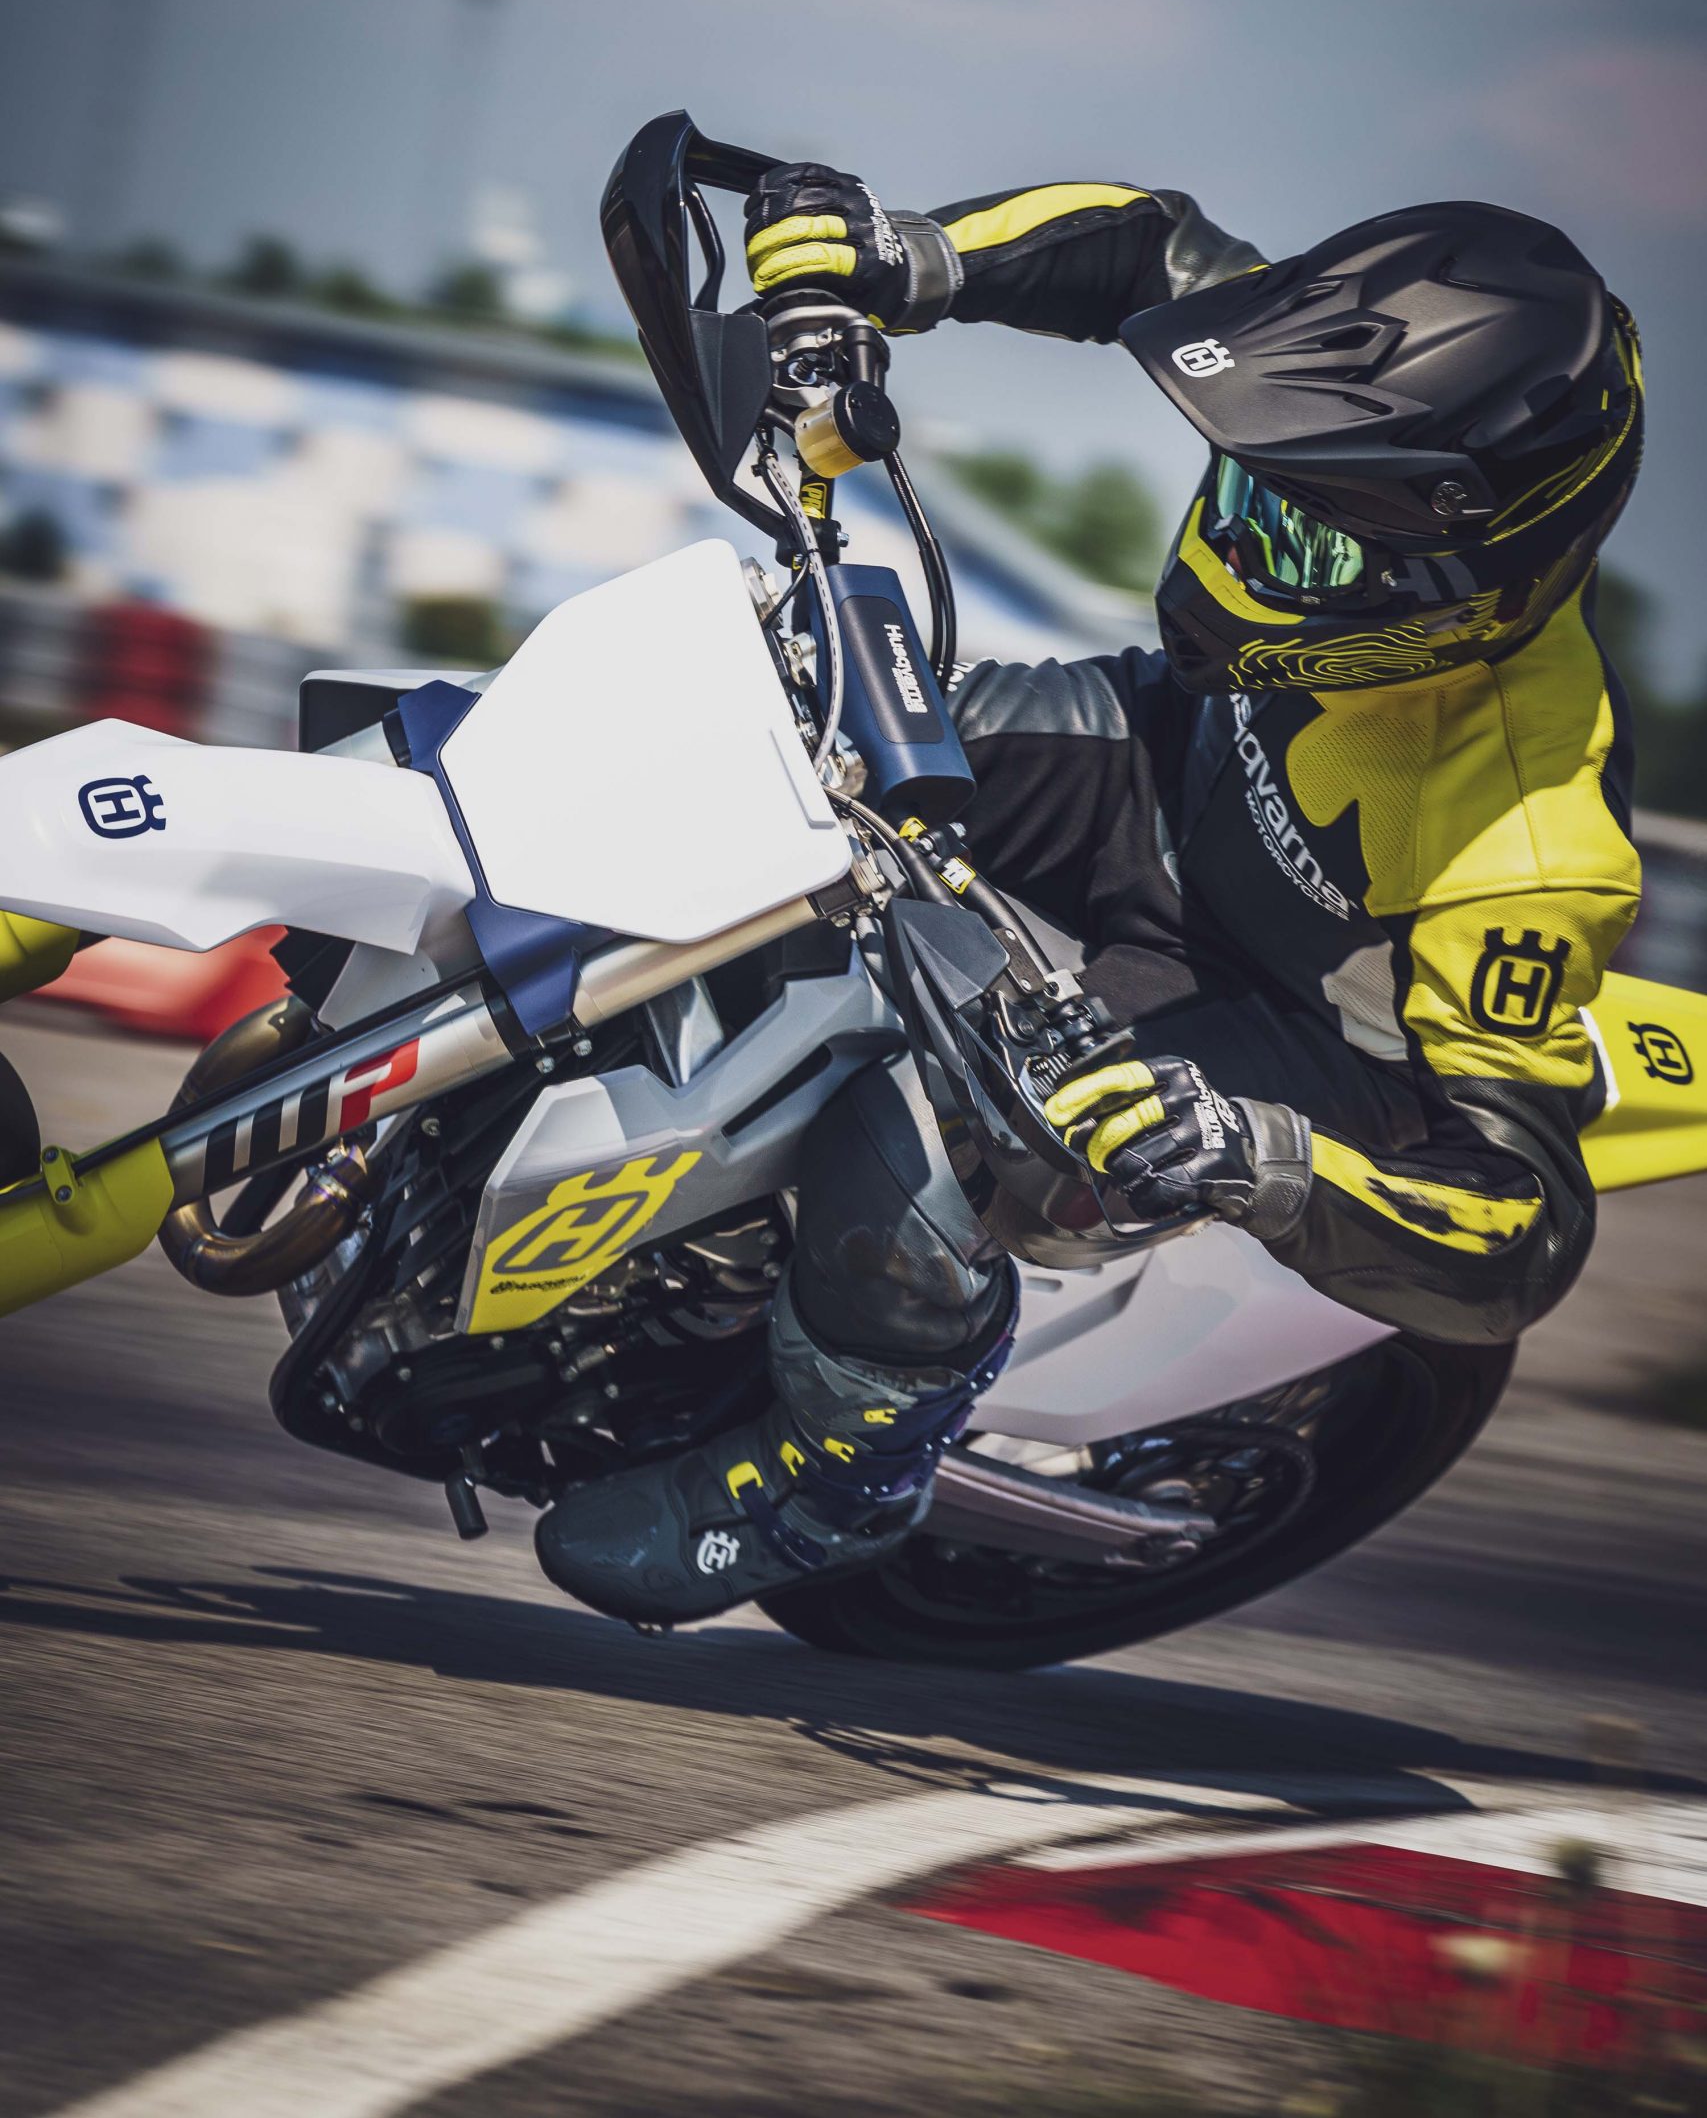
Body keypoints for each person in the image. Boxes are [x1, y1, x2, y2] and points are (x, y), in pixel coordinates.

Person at [536, 163, 1643, 1625]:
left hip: (1286, 1018)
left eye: (1305, 536)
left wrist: (1257, 1157)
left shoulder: (1537, 852)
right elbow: (1148, 246)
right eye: (1247, 482)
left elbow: (1524, 1230)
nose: (1236, 547)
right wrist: (898, 257)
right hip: (1157, 762)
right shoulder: (1353, 389)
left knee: (920, 1132)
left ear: (1464, 578)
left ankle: (834, 1482)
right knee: (774, 715)